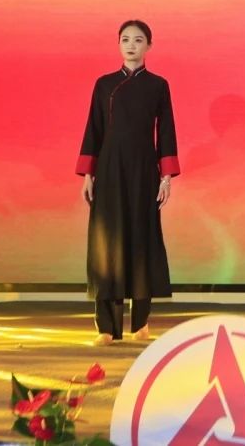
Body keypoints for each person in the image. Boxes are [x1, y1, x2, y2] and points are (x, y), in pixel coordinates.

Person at [78, 20, 180, 344]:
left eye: (138, 40)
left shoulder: (158, 85)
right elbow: (94, 129)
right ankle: (107, 328)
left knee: (141, 239)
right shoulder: (104, 84)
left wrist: (165, 177)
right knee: (107, 243)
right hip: (109, 170)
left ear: (149, 46)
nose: (131, 45)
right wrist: (88, 174)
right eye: (125, 39)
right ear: (119, 45)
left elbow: (166, 131)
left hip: (143, 171)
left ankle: (140, 324)